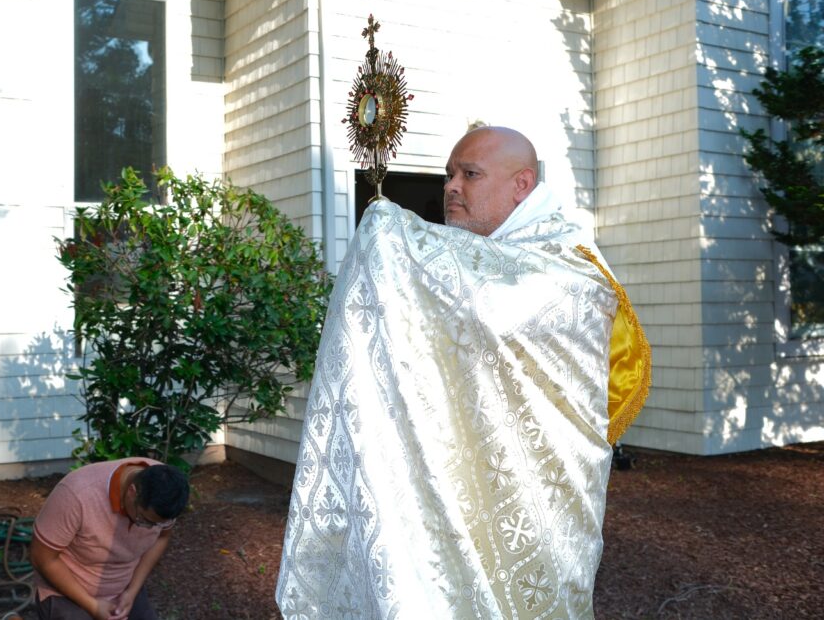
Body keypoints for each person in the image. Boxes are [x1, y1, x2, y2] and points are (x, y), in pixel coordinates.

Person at [276, 127, 650, 619]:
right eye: (450, 174)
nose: (451, 186)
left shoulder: (568, 268)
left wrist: (388, 229)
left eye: (470, 174)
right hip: (451, 483)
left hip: (539, 502)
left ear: (523, 184)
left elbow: (489, 297)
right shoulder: (482, 256)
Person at [31, 458, 190, 620]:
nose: (148, 528)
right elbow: (42, 559)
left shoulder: (169, 493)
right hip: (66, 592)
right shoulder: (77, 494)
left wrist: (132, 592)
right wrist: (92, 606)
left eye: (157, 524)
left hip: (124, 587)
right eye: (144, 520)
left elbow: (162, 538)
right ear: (132, 492)